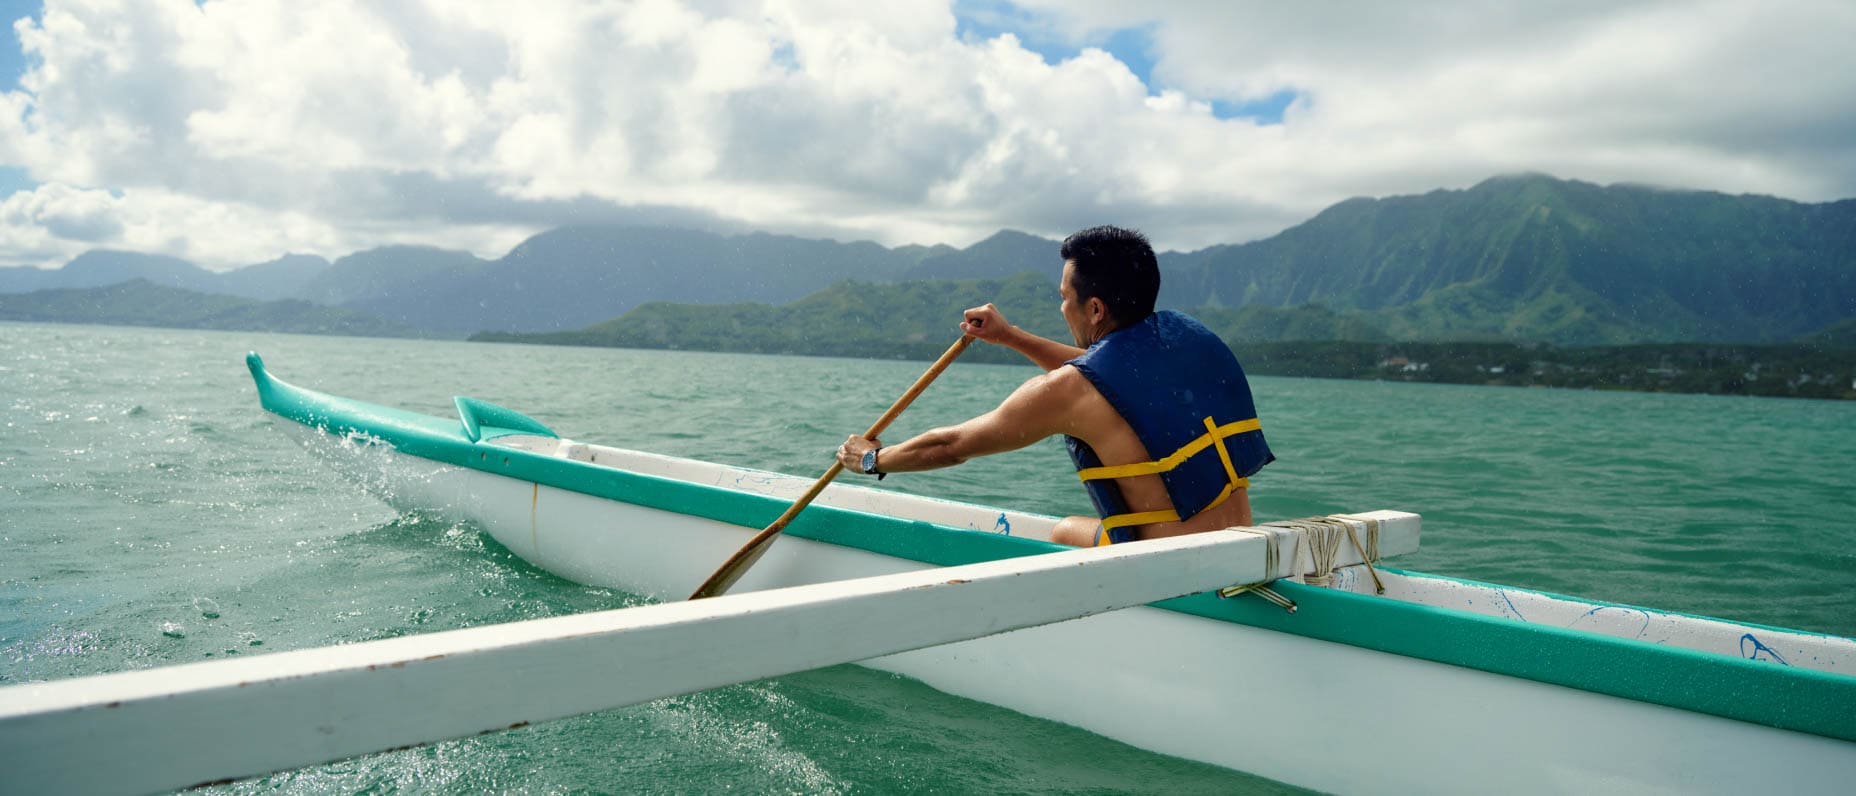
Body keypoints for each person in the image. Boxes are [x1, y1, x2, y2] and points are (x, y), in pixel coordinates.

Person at [835, 225, 1274, 546]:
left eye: (1065, 297)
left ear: (1095, 308)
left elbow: (952, 445)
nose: (1064, 306)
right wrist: (1008, 336)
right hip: (1239, 545)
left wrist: (872, 459)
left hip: (1168, 563)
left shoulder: (1067, 392)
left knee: (1064, 532)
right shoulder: (1183, 342)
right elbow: (1106, 375)